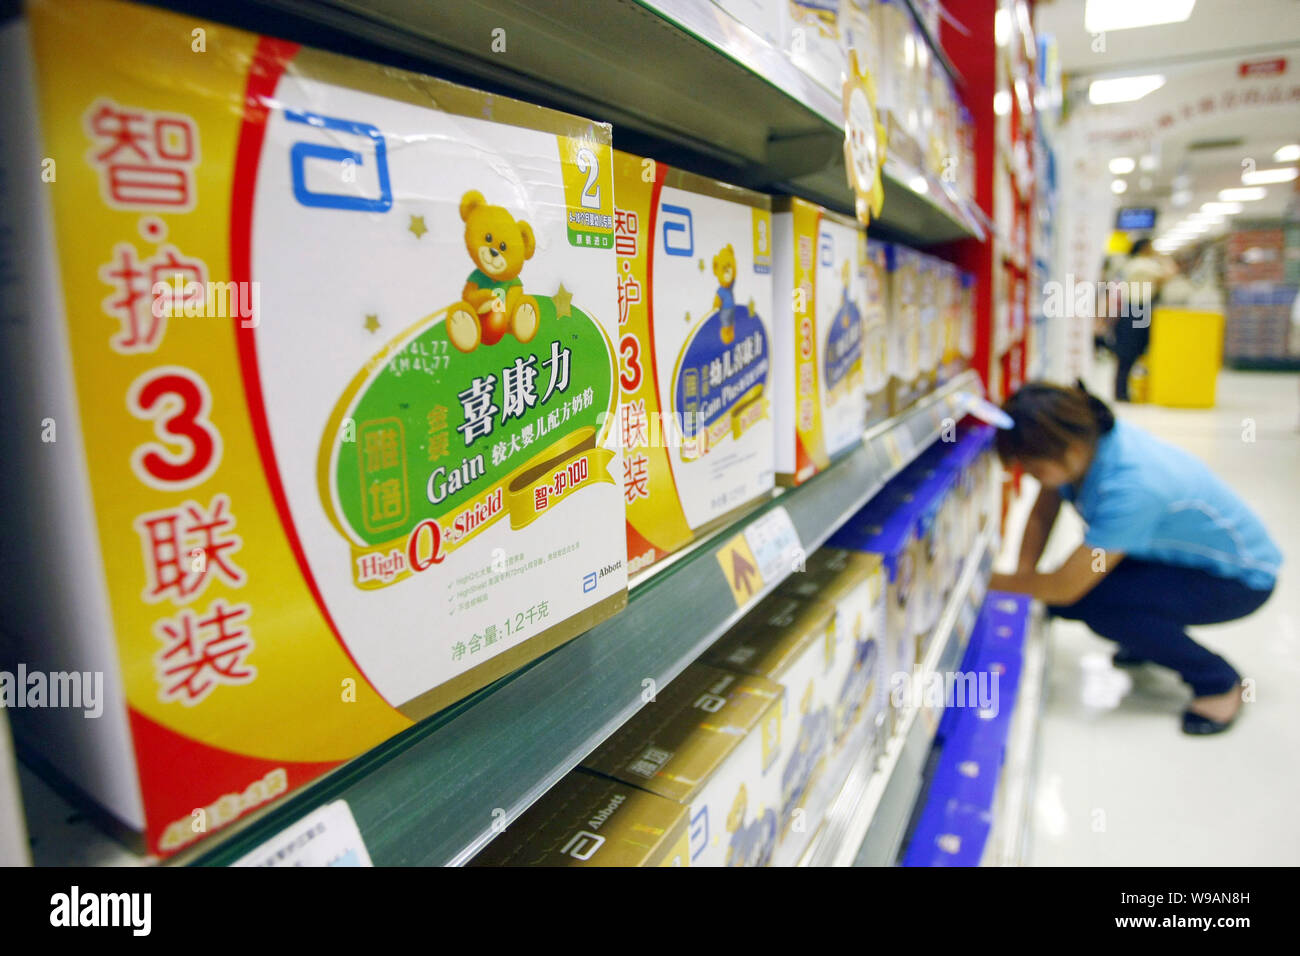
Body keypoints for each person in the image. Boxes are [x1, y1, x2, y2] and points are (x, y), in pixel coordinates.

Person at [989, 381, 1281, 735]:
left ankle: (1218, 681)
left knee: (1100, 608)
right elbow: (1043, 511)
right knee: (1074, 595)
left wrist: (991, 584)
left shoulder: (1132, 485)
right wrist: (1021, 578)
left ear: (1070, 449)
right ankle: (1147, 639)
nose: (1030, 476)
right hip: (1172, 556)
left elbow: (1064, 588)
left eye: (1034, 469)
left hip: (1241, 579)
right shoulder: (1087, 445)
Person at [1112, 238, 1173, 401]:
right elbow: (1170, 273)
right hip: (1137, 310)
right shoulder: (1143, 264)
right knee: (1130, 353)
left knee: (1127, 354)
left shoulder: (1132, 264)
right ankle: (1122, 393)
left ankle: (1122, 391)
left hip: (1132, 310)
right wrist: (1162, 258)